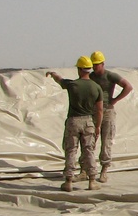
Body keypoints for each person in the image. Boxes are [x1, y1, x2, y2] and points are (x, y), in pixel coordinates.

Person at [46, 56, 103, 192]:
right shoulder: (96, 87)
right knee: (89, 150)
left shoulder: (72, 85)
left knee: (71, 150)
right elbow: (100, 110)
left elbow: (60, 80)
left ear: (79, 69)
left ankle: (68, 181)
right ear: (89, 69)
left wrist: (53, 74)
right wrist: (98, 126)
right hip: (89, 121)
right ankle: (92, 181)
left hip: (73, 121)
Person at [89, 50, 133, 183]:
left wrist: (115, 100)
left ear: (103, 64)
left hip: (107, 111)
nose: (95, 67)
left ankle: (104, 170)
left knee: (106, 141)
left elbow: (128, 86)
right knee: (89, 141)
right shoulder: (91, 77)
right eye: (93, 65)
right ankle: (86, 169)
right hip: (93, 111)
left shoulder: (110, 76)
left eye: (97, 64)